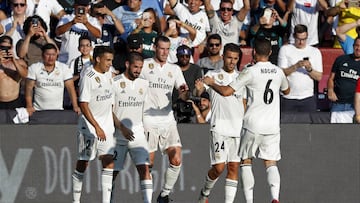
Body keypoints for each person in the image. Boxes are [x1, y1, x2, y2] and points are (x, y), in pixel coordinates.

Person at [203, 38, 290, 203]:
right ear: (270, 53)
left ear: (254, 53)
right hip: (272, 125)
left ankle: (249, 201)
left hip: (252, 124)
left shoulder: (250, 71)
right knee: (271, 162)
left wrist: (212, 84)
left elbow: (227, 91)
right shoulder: (278, 71)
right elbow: (287, 90)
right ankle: (275, 197)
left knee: (245, 161)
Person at [72, 46, 130, 203]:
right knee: (84, 162)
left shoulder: (109, 75)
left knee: (109, 161)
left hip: (107, 128)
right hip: (89, 128)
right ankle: (76, 200)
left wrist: (119, 125)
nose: (110, 64)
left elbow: (109, 106)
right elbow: (83, 104)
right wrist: (96, 127)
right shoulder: (88, 77)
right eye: (108, 60)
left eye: (111, 60)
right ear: (98, 59)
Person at [139, 35, 189, 203]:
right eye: (162, 48)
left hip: (167, 119)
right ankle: (147, 200)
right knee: (148, 164)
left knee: (176, 158)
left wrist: (184, 91)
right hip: (148, 119)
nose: (165, 52)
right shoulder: (145, 65)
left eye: (168, 49)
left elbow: (183, 92)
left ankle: (164, 195)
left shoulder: (174, 69)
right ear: (155, 48)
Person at [197, 43, 246, 203]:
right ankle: (205, 192)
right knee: (219, 168)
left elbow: (244, 103)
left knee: (233, 167)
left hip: (237, 129)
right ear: (223, 57)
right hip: (219, 127)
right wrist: (198, 88)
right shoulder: (213, 75)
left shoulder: (242, 77)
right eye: (229, 57)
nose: (232, 61)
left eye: (235, 58)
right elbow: (199, 91)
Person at [112, 51, 153, 203]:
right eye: (135, 67)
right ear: (127, 64)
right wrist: (121, 127)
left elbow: (146, 109)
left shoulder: (144, 84)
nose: (138, 70)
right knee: (113, 172)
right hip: (118, 135)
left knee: (144, 169)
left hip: (138, 134)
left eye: (141, 67)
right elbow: (108, 110)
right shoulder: (114, 83)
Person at [25, 43, 80, 115]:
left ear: (56, 55)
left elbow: (70, 89)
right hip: (38, 110)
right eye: (48, 54)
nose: (51, 57)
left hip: (58, 110)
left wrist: (75, 106)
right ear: (42, 55)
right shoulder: (34, 67)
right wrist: (29, 106)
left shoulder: (63, 68)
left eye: (53, 54)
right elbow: (29, 89)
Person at [278, 24, 323, 112]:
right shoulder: (285, 49)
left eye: (304, 39)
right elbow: (281, 73)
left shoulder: (315, 52)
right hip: (288, 97)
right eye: (299, 39)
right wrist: (296, 66)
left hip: (307, 97)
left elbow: (319, 77)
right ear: (294, 36)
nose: (301, 42)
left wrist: (309, 69)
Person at [55, 0, 101, 64]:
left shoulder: (93, 20)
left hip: (86, 62)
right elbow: (57, 32)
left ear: (88, 7)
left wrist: (86, 23)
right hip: (66, 61)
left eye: (84, 6)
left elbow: (98, 35)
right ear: (75, 5)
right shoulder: (66, 18)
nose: (82, 8)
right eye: (80, 5)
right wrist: (72, 23)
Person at [327, 37, 360, 123]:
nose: (358, 48)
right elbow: (331, 78)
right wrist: (330, 90)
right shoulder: (341, 59)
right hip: (338, 103)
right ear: (353, 46)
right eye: (356, 45)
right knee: (334, 131)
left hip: (355, 106)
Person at [0, 36, 28, 109]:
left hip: (15, 101)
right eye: (2, 47)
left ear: (12, 47)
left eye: (8, 48)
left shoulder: (20, 62)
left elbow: (25, 76)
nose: (5, 50)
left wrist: (14, 61)